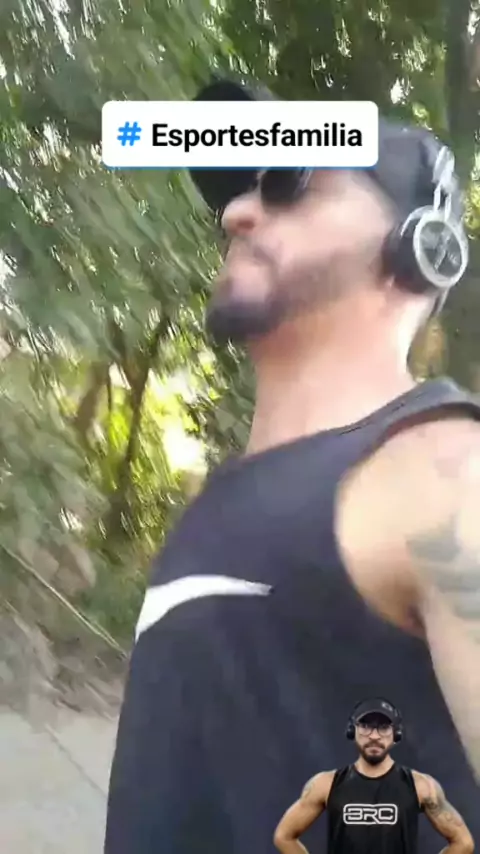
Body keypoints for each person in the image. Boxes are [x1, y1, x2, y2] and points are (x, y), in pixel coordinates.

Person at [104, 77, 480, 854]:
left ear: (421, 247)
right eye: (244, 189)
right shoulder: (222, 499)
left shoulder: (444, 472)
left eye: (290, 183)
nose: (238, 213)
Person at [274, 698, 474, 854]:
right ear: (352, 731)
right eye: (366, 726)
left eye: (384, 728)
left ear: (396, 734)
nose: (374, 736)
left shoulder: (420, 786)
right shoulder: (326, 784)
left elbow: (463, 842)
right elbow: (284, 836)